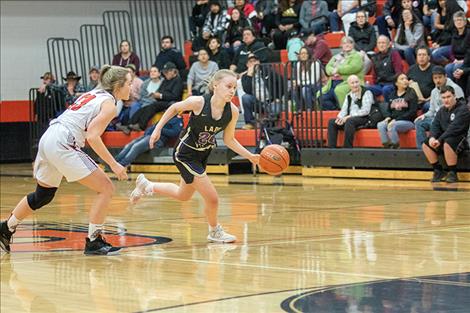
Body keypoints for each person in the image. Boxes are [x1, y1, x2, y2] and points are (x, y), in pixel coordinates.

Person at [0, 65, 131, 255]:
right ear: (118, 85)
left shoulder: (94, 93)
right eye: (129, 82)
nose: (132, 86)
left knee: (43, 195)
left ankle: (6, 227)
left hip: (49, 137)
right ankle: (94, 241)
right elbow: (93, 137)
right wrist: (114, 164)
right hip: (63, 141)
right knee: (106, 188)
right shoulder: (109, 105)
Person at [129, 69, 260, 243]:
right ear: (215, 85)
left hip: (201, 155)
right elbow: (174, 108)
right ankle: (214, 231)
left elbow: (229, 140)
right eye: (228, 86)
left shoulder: (233, 111)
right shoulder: (199, 102)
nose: (232, 91)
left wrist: (250, 156)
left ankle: (147, 186)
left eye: (234, 87)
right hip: (185, 154)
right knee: (212, 198)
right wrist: (157, 130)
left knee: (183, 195)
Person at [422, 85, 470, 183]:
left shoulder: (463, 109)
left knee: (448, 142)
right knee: (425, 144)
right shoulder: (441, 110)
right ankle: (438, 170)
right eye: (443, 98)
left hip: (460, 139)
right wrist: (432, 137)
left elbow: (454, 129)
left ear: (454, 96)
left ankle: (453, 172)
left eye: (448, 97)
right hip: (444, 139)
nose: (446, 100)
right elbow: (435, 125)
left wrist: (439, 140)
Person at [414, 66, 465, 148]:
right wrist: (425, 115)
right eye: (435, 78)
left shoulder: (455, 88)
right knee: (419, 122)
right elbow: (432, 110)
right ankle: (422, 150)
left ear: (445, 76)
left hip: (450, 120)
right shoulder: (433, 91)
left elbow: (461, 108)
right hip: (436, 120)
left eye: (440, 77)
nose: (438, 80)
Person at [128, 62, 184, 132]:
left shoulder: (178, 80)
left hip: (171, 102)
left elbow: (175, 96)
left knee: (153, 105)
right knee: (145, 107)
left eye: (167, 72)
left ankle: (141, 126)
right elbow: (160, 90)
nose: (165, 74)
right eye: (164, 72)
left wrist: (160, 95)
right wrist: (155, 95)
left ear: (173, 71)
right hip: (162, 101)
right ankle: (129, 124)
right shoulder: (165, 80)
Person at [116, 115, 184, 167]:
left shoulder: (178, 120)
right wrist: (150, 131)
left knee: (136, 147)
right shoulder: (165, 117)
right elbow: (154, 127)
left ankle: (121, 165)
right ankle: (115, 162)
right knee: (129, 145)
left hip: (158, 140)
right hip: (148, 136)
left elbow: (175, 133)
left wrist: (159, 129)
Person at [327, 75, 374, 148]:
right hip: (351, 119)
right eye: (352, 83)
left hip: (365, 118)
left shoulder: (366, 92)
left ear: (359, 82)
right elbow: (344, 110)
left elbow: (366, 111)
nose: (355, 85)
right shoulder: (348, 95)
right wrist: (340, 118)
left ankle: (347, 148)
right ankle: (331, 149)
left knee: (349, 121)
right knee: (332, 122)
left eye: (356, 82)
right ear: (349, 85)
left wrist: (349, 116)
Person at [377, 73, 418, 148]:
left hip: (408, 122)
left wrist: (396, 120)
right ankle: (387, 145)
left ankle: (396, 147)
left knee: (393, 125)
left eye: (406, 79)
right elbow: (389, 110)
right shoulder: (392, 95)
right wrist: (388, 117)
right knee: (381, 125)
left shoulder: (411, 93)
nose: (405, 81)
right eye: (402, 79)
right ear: (396, 83)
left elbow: (412, 112)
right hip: (394, 120)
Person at [368, 35, 404, 102]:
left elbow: (399, 72)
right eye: (379, 43)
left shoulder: (394, 54)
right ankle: (375, 108)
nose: (381, 45)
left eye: (383, 43)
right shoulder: (375, 57)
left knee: (386, 89)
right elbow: (374, 75)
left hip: (392, 84)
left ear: (388, 45)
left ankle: (388, 108)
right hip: (380, 85)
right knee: (366, 88)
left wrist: (391, 81)